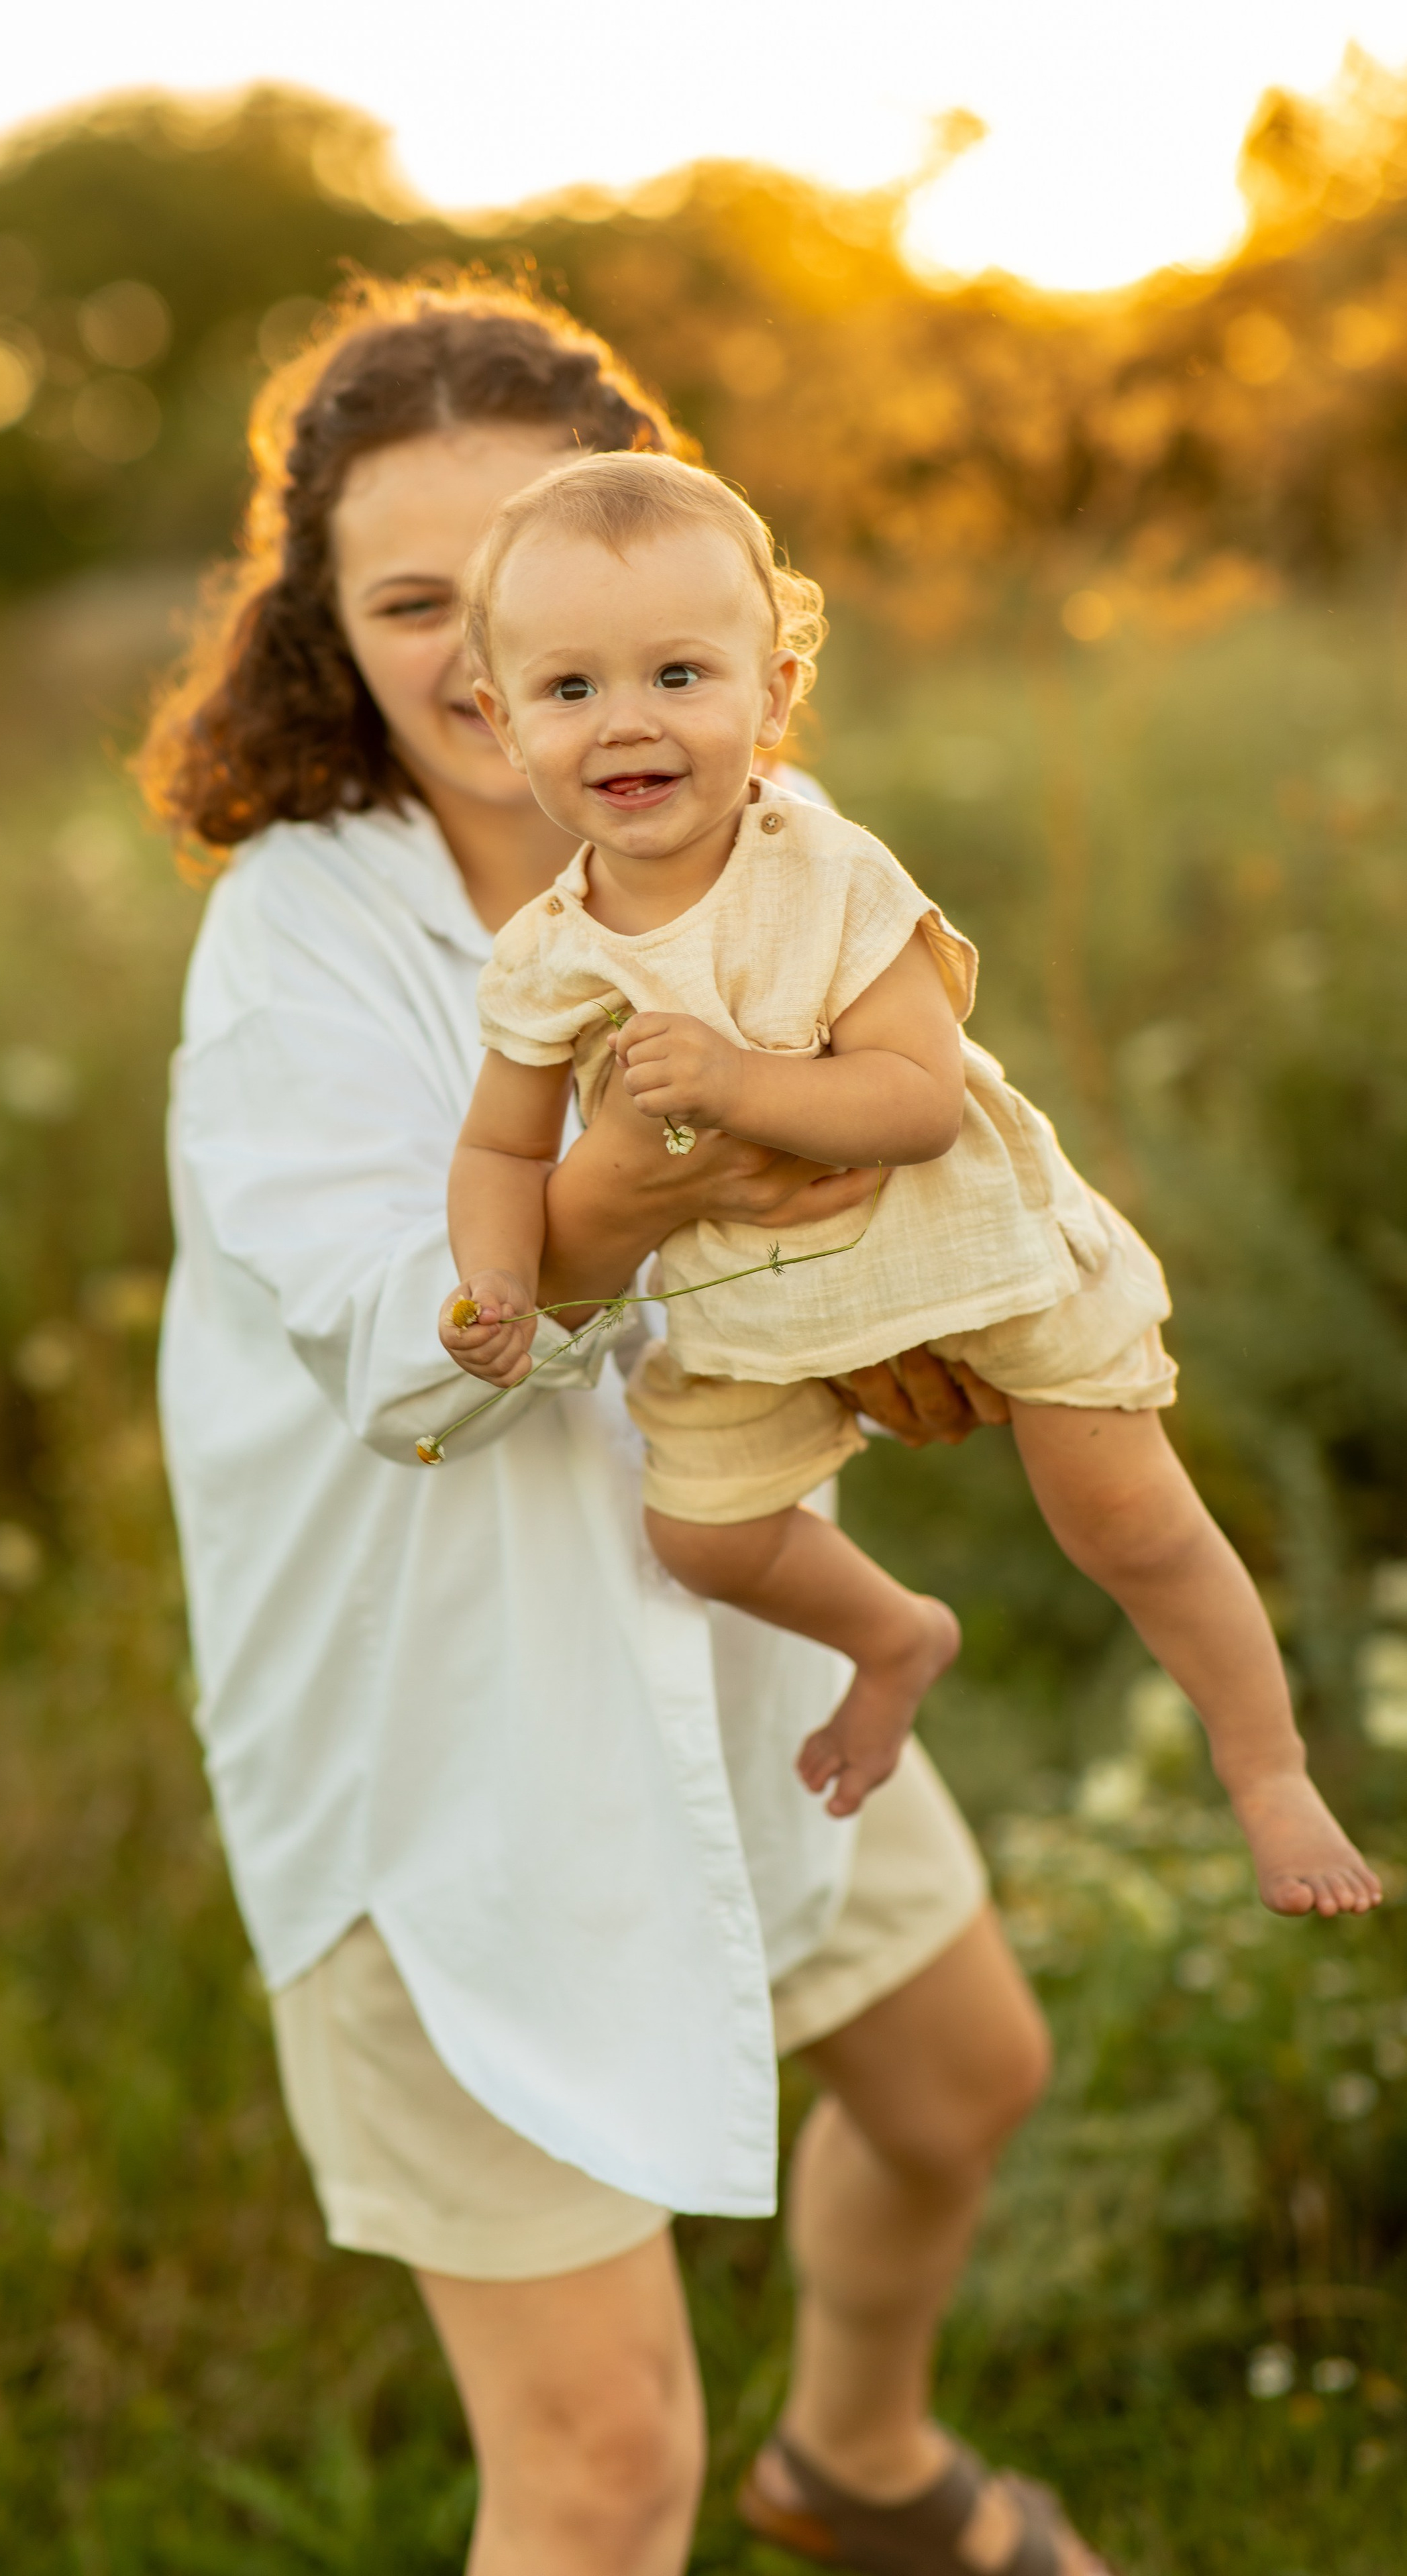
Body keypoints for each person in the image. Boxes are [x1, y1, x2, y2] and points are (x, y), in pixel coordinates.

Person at [144, 270, 1117, 2576]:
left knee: (969, 2076)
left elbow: (911, 1154)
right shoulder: (301, 941)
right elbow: (404, 1344)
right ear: (333, 631)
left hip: (732, 1626)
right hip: (444, 1740)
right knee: (593, 2472)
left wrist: (916, 1286)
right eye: (418, 605)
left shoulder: (753, 849)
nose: (493, 665)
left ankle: (863, 2470)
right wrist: (622, 1197)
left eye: (539, 589)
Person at [441, 449, 1381, 1925]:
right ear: (498, 721)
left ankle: (1262, 1765)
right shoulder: (546, 957)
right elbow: (500, 1147)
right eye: (568, 691)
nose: (625, 720)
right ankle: (892, 1637)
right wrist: (497, 1280)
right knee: (698, 1535)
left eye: (679, 674)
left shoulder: (824, 872)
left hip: (973, 1251)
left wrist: (739, 1082)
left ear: (775, 691)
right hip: (756, 1301)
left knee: (1123, 1517)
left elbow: (919, 1101)